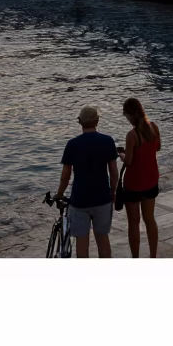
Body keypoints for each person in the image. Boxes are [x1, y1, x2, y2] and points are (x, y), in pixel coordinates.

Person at [56, 106, 119, 258]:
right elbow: (113, 172)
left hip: (79, 200)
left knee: (82, 245)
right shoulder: (108, 141)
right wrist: (113, 192)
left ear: (80, 123)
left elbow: (66, 175)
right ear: (97, 121)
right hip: (102, 198)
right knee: (103, 241)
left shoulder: (72, 144)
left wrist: (59, 194)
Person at [120, 98, 161, 258]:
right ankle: (153, 256)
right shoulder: (154, 128)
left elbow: (129, 161)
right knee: (150, 220)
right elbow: (157, 147)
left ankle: (135, 258)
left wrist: (121, 154)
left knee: (134, 223)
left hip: (133, 184)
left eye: (126, 116)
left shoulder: (132, 135)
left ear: (131, 115)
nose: (127, 120)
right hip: (151, 180)